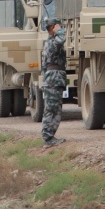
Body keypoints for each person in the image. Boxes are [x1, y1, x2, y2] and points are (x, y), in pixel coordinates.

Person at [39, 19, 67, 147]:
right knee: (51, 109)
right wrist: (59, 31)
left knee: (55, 109)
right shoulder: (52, 42)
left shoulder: (49, 41)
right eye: (58, 25)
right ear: (53, 27)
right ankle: (48, 137)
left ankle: (50, 136)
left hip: (53, 79)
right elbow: (61, 40)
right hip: (53, 79)